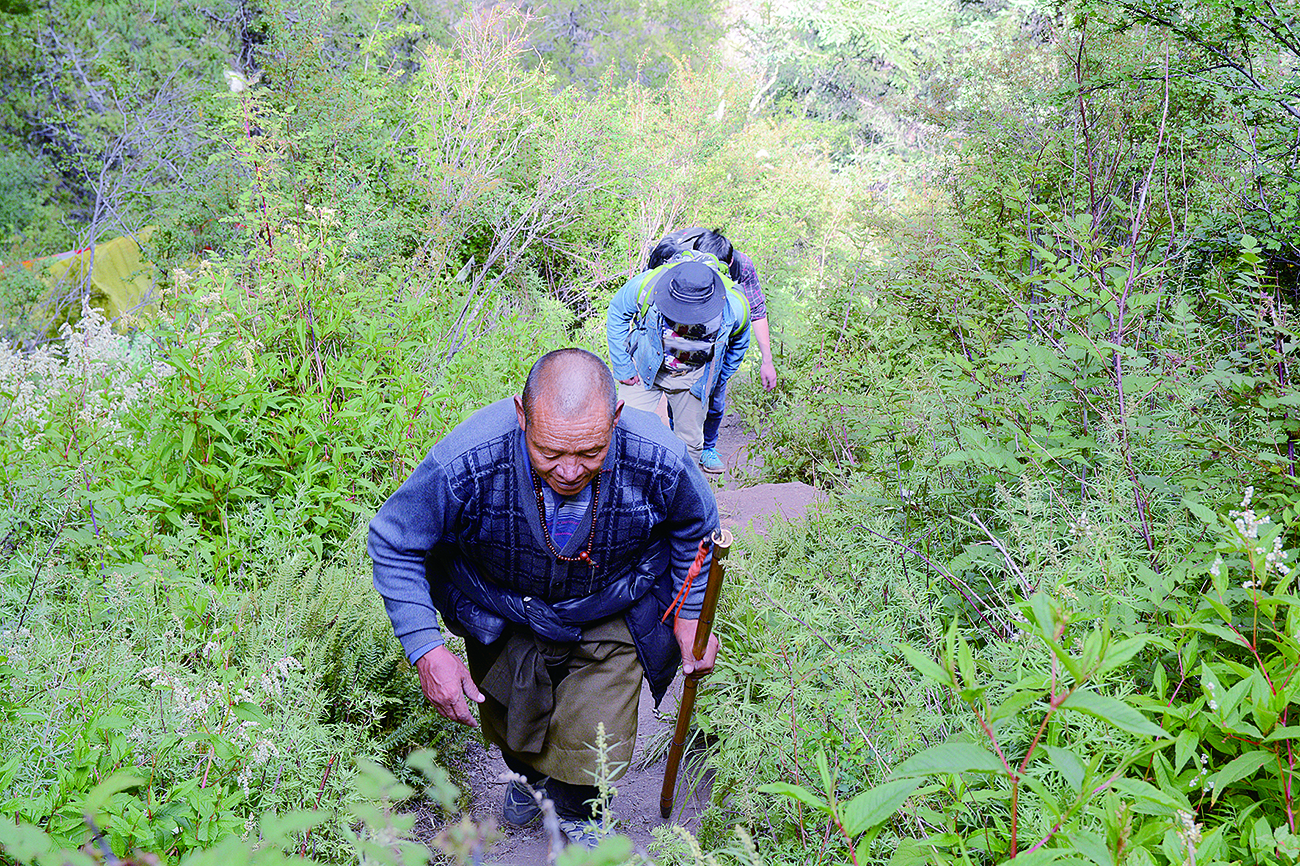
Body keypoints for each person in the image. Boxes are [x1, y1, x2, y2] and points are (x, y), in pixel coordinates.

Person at [368, 348, 720, 849]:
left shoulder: (658, 456)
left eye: (590, 452)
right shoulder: (467, 459)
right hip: (502, 605)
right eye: (550, 453)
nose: (570, 471)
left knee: (597, 722)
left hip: (612, 603)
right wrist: (427, 647)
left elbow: (697, 527)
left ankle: (577, 810)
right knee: (514, 714)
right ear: (521, 415)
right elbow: (394, 540)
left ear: (616, 418)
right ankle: (532, 781)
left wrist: (688, 613)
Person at [648, 228, 778, 474]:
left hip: (719, 336)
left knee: (715, 396)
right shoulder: (673, 258)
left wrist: (766, 361)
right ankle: (678, 441)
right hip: (678, 331)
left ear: (728, 264)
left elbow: (756, 311)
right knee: (680, 393)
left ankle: (707, 447)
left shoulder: (741, 266)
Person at [606, 250, 750, 469]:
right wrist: (623, 367)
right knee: (623, 431)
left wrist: (719, 378)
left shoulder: (735, 307)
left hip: (694, 375)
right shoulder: (647, 285)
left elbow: (739, 343)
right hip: (645, 366)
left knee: (690, 445)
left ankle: (681, 497)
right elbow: (617, 311)